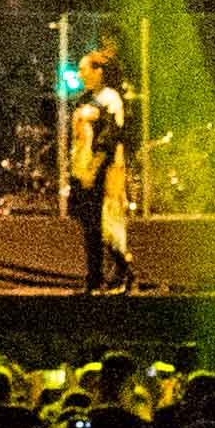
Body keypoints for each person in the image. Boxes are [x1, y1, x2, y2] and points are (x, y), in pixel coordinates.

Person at [64, 38, 140, 293]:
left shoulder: (110, 99)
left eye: (85, 69)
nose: (81, 74)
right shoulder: (84, 99)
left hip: (102, 172)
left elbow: (110, 137)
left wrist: (95, 168)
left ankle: (122, 271)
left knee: (106, 225)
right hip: (82, 169)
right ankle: (96, 279)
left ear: (99, 71)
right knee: (91, 227)